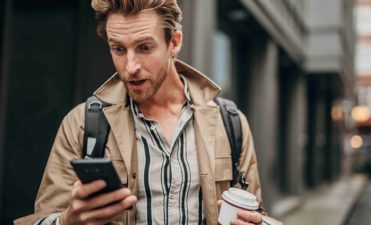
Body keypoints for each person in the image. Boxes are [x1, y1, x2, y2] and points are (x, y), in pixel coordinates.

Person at [15, 0, 281, 224]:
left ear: (174, 42)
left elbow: (256, 214)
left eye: (144, 47)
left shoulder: (230, 122)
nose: (130, 66)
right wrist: (67, 220)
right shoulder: (82, 123)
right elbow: (44, 216)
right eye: (118, 49)